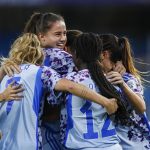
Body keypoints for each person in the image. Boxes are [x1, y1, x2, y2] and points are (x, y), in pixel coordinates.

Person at [0, 33, 118, 150]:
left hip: (3, 142)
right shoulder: (42, 72)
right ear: (39, 52)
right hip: (28, 143)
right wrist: (105, 102)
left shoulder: (5, 74)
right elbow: (71, 87)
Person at [60, 32, 127, 150]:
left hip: (83, 146)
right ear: (101, 55)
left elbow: (51, 103)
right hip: (112, 146)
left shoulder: (70, 80)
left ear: (75, 54)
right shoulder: (111, 81)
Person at [99, 33, 150, 150]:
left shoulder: (127, 79)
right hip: (118, 144)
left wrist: (122, 85)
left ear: (104, 54)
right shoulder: (97, 80)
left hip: (137, 144)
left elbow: (141, 107)